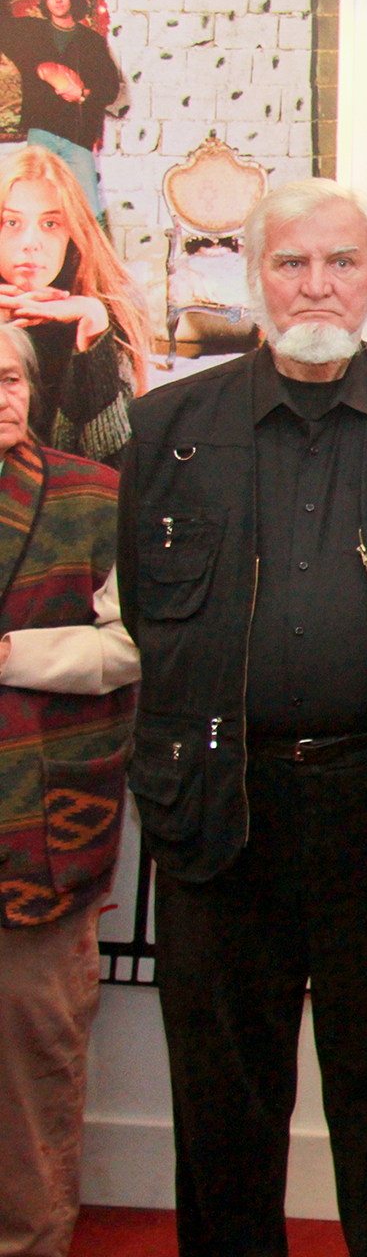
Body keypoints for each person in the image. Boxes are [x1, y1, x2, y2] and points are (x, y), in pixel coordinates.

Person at [117, 179, 367, 1257]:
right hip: (220, 808)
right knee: (222, 1106)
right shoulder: (169, 425)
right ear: (254, 276)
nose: (317, 285)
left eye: (343, 261)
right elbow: (149, 612)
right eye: (292, 262)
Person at [0, 320, 137, 1257]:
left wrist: (14, 655)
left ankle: (30, 1242)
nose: (1, 395)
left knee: (30, 1060)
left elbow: (140, 643)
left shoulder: (94, 493)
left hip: (39, 832)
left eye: (11, 378)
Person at [0, 143, 150, 467]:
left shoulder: (110, 308)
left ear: (72, 232)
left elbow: (116, 469)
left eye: (50, 224)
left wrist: (94, 333)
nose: (30, 244)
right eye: (11, 223)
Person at [0, 0, 122, 221]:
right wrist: (43, 69)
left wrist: (83, 94)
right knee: (38, 208)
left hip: (78, 138)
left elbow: (110, 88)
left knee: (89, 214)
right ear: (44, 0)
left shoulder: (92, 41)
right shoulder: (30, 30)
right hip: (41, 133)